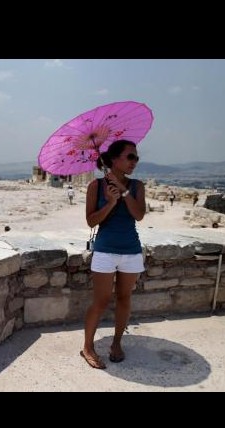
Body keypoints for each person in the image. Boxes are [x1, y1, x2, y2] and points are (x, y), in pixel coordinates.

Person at [80, 139, 146, 369]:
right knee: (101, 300)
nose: (135, 162)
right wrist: (110, 202)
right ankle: (87, 347)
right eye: (130, 157)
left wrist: (124, 190)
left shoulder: (137, 186)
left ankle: (116, 343)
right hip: (105, 251)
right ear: (114, 159)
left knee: (124, 298)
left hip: (131, 251)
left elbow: (139, 215)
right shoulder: (96, 187)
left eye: (136, 157)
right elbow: (91, 220)